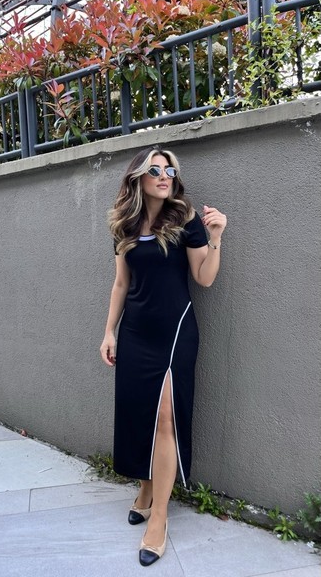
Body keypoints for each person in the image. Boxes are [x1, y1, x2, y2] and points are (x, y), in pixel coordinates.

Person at [100, 145, 227, 567]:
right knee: (141, 414)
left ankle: (159, 517)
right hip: (135, 333)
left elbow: (204, 278)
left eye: (169, 171)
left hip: (175, 333)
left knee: (167, 418)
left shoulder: (185, 218)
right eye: (155, 170)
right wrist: (109, 332)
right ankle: (146, 487)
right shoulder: (125, 225)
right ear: (138, 177)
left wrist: (215, 238)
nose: (163, 177)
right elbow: (121, 284)